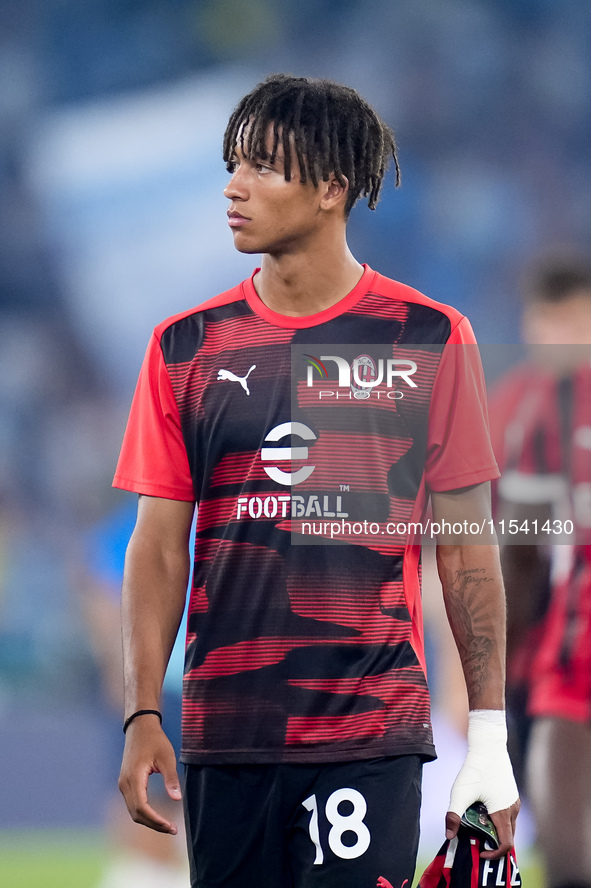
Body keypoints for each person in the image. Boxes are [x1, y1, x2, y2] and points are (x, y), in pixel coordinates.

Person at [113, 74, 519, 888]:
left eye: (263, 167)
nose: (234, 187)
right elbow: (157, 549)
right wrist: (141, 714)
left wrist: (486, 741)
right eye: (232, 165)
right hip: (225, 737)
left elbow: (468, 551)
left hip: (367, 731)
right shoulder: (184, 348)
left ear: (333, 188)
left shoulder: (430, 338)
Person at [491, 253, 591, 888]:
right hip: (559, 650)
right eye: (543, 320)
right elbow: (512, 545)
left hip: (561, 651)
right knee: (565, 849)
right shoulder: (519, 409)